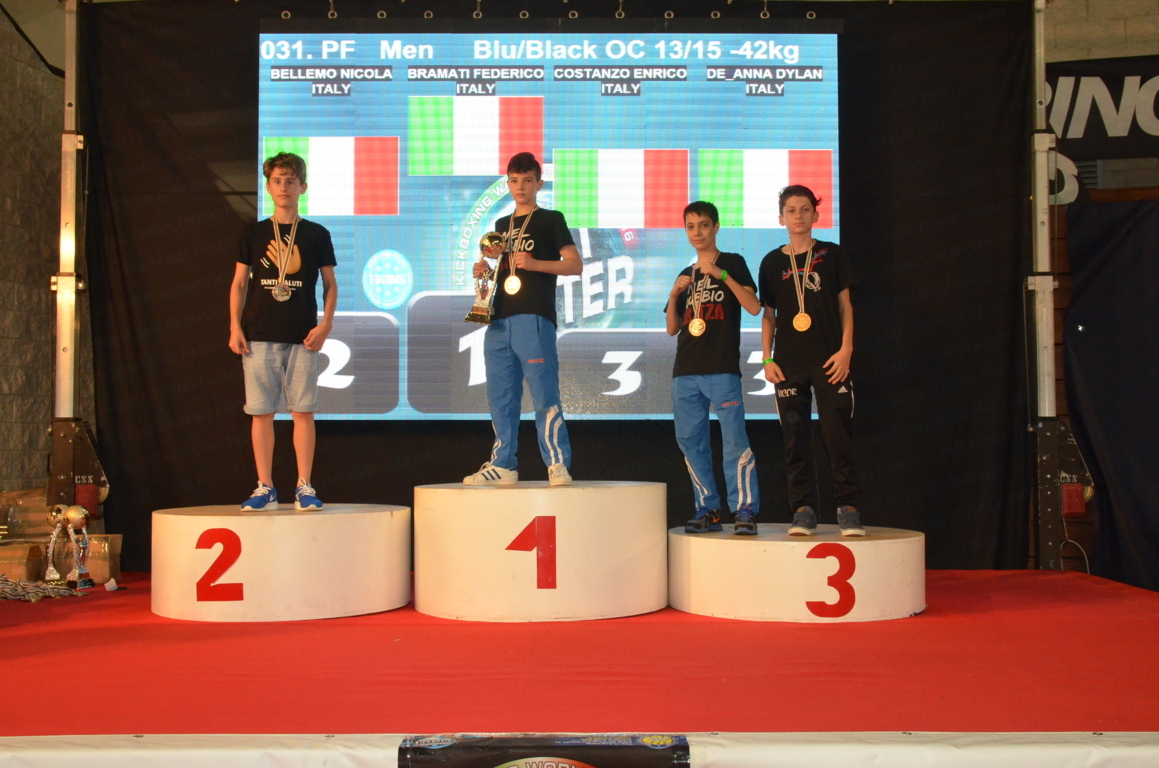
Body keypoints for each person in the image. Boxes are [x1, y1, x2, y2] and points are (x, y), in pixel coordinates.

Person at [464, 152, 582, 486]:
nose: (520, 187)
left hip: (534, 315)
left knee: (544, 392)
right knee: (501, 396)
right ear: (507, 183)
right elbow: (504, 271)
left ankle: (557, 463)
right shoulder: (501, 226)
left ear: (538, 184)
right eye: (514, 181)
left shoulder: (550, 219)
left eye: (527, 180)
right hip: (499, 318)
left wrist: (535, 264)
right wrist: (486, 271)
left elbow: (574, 264)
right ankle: (503, 464)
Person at [229, 152, 337, 511]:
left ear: (302, 187)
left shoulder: (316, 234)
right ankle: (265, 486)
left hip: (303, 337)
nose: (284, 187)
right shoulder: (254, 232)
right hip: (258, 334)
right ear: (268, 187)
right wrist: (234, 326)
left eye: (290, 181)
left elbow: (330, 284)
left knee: (303, 411)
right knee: (261, 413)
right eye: (277, 181)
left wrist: (326, 324)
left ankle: (304, 485)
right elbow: (239, 283)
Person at [758, 185, 862, 536]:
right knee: (794, 439)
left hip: (831, 360)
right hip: (788, 364)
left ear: (816, 215)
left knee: (838, 436)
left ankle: (848, 507)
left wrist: (846, 350)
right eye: (791, 210)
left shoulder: (832, 254)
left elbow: (846, 306)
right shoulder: (772, 262)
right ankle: (802, 509)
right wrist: (766, 358)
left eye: (805, 209)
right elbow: (769, 316)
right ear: (781, 218)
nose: (798, 216)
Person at [666, 201, 761, 534]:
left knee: (734, 440)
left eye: (704, 225)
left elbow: (753, 306)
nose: (697, 232)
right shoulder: (686, 272)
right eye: (691, 227)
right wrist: (674, 294)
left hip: (721, 367)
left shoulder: (732, 262)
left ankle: (745, 510)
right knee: (691, 442)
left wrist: (722, 276)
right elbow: (672, 328)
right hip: (685, 369)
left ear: (716, 227)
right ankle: (708, 508)